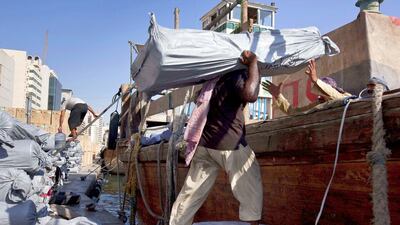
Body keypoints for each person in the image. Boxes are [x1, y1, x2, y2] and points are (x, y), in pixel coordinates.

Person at [169, 50, 263, 225]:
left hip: (204, 146)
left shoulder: (212, 81)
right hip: (230, 145)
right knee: (251, 191)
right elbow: (251, 94)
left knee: (190, 196)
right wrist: (254, 63)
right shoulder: (235, 75)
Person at [262, 59, 352, 115]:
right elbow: (294, 113)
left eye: (321, 92)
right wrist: (278, 96)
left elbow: (337, 97)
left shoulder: (346, 98)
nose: (319, 96)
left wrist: (316, 80)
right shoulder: (318, 104)